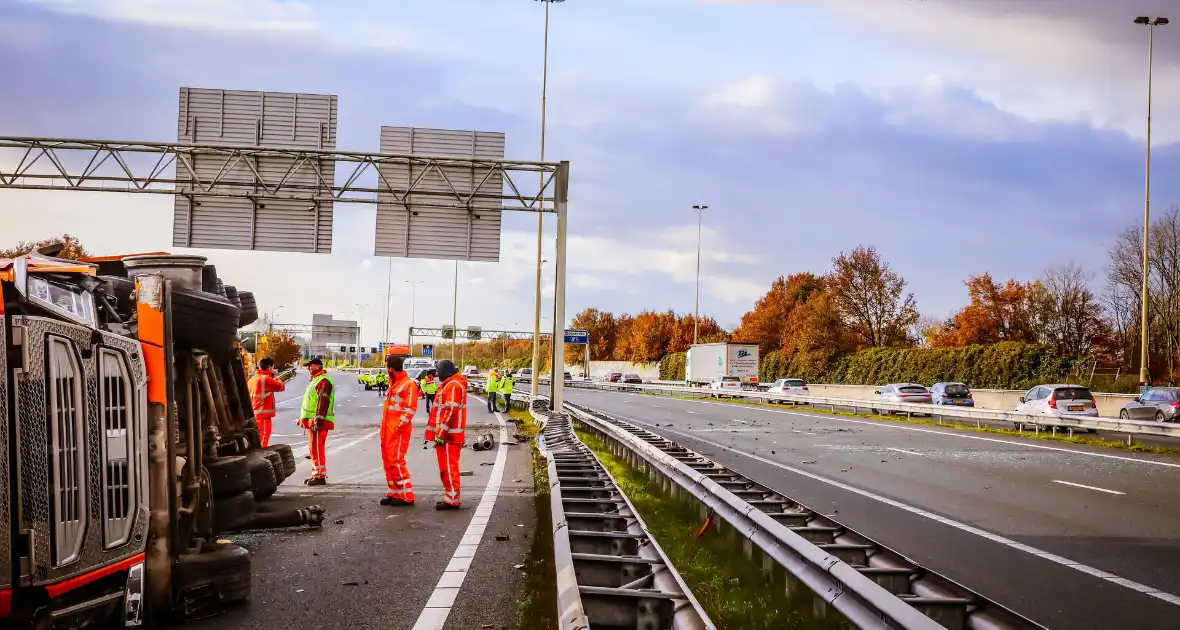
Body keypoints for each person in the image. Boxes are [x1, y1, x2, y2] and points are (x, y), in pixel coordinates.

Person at [425, 360, 467, 510]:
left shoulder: (453, 386)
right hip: (447, 435)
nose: (436, 375)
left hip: (449, 436)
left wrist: (441, 433)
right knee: (447, 468)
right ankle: (451, 497)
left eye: (438, 371)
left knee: (448, 468)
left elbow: (450, 411)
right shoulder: (450, 384)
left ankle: (452, 499)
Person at [380, 355, 419, 507]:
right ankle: (394, 491)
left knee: (396, 461)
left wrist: (398, 427)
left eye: (386, 368)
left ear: (390, 368)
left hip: (397, 431)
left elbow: (410, 409)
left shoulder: (408, 385)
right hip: (388, 430)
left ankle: (406, 495)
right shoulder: (394, 384)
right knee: (388, 461)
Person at [298, 358, 335, 486]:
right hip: (313, 421)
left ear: (318, 366)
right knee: (314, 449)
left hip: (318, 422)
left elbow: (323, 400)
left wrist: (318, 418)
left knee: (317, 449)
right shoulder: (316, 380)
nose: (309, 368)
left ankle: (319, 476)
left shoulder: (323, 381)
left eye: (311, 366)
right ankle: (316, 474)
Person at [248, 358, 286, 447]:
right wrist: (275, 376)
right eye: (272, 367)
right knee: (263, 439)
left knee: (257, 439)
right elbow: (281, 386)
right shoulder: (265, 379)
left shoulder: (252, 379)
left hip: (255, 414)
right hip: (263, 416)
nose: (273, 369)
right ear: (269, 367)